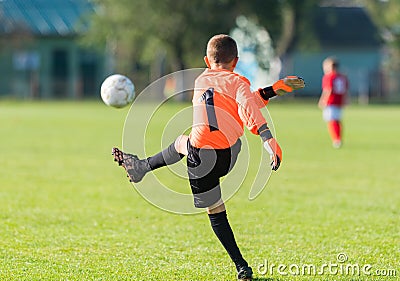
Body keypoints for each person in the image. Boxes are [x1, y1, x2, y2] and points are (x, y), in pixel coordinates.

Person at [112, 34, 304, 280]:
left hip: (200, 159)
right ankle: (140, 167)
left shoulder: (201, 80)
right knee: (184, 142)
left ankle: (241, 266)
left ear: (206, 60)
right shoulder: (238, 82)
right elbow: (247, 106)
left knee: (215, 209)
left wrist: (272, 94)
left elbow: (243, 103)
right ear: (235, 61)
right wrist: (268, 133)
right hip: (229, 155)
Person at [318, 57, 349, 148]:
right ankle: (338, 138)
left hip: (331, 101)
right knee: (337, 120)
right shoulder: (342, 76)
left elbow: (328, 89)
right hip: (340, 100)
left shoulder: (329, 76)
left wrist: (323, 100)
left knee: (332, 121)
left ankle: (336, 139)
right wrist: (346, 100)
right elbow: (345, 90)